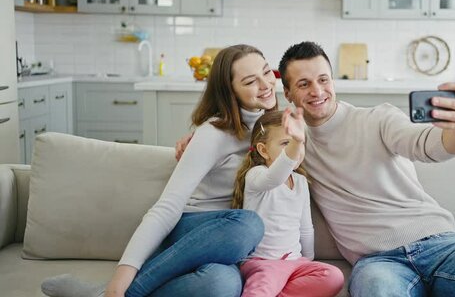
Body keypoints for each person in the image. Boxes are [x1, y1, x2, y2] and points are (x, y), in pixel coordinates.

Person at [275, 41, 455, 297]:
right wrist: (295, 141)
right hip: (378, 262)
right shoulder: (294, 143)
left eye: (323, 80)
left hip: (439, 243)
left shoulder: (378, 118)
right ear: (287, 93)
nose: (317, 91)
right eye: (303, 84)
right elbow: (256, 157)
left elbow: (425, 144)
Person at [41, 44, 278, 297]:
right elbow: (167, 207)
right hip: (194, 230)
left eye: (267, 72)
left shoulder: (274, 129)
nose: (266, 84)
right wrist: (120, 280)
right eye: (251, 81)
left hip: (224, 247)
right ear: (230, 92)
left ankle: (97, 295)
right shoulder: (213, 134)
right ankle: (114, 293)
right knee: (249, 224)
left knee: (222, 284)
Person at [231, 109, 344, 297]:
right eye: (286, 143)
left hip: (294, 262)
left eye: (300, 143)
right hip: (264, 262)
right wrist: (297, 140)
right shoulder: (257, 175)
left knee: (333, 277)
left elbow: (306, 228)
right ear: (263, 150)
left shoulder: (300, 182)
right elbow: (276, 175)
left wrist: (307, 259)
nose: (297, 150)